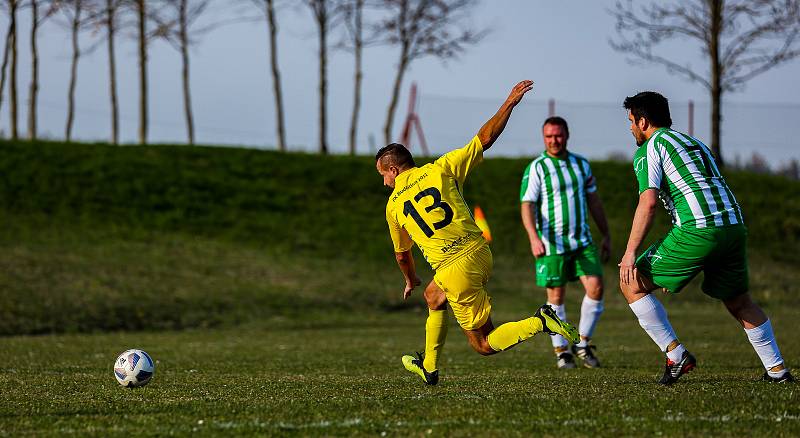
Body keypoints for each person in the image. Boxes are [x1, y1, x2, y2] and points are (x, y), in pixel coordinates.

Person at [376, 80, 579, 386]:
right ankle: (429, 366)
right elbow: (484, 138)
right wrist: (509, 102)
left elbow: (402, 254)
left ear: (393, 170)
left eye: (383, 176)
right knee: (433, 296)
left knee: (483, 344)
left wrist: (410, 279)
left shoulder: (393, 206)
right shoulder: (440, 168)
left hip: (455, 267)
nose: (384, 184)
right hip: (479, 252)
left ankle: (540, 321)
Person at [618, 91, 794, 384]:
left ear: (643, 120)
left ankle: (676, 356)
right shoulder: (694, 143)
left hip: (699, 229)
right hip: (734, 227)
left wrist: (629, 253)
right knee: (740, 301)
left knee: (631, 282)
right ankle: (777, 370)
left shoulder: (650, 148)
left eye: (632, 121)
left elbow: (647, 202)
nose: (630, 128)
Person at [520, 116, 611, 369]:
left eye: (558, 135)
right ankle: (562, 351)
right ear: (543, 137)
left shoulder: (581, 164)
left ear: (567, 135)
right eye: (548, 136)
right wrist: (533, 237)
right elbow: (526, 205)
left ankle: (582, 344)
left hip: (582, 241)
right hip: (551, 244)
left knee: (596, 287)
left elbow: (594, 201)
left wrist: (606, 234)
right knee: (556, 297)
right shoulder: (537, 167)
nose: (554, 140)